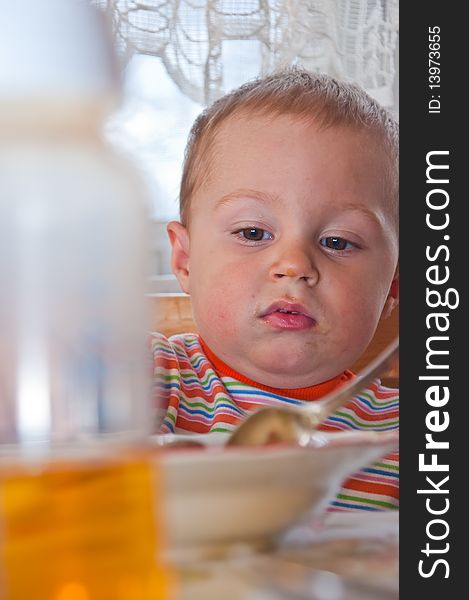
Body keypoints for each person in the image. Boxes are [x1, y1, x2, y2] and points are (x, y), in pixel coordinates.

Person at [151, 67, 399, 511]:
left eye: (337, 242)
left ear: (393, 285)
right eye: (252, 233)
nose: (294, 265)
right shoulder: (149, 379)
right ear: (186, 260)